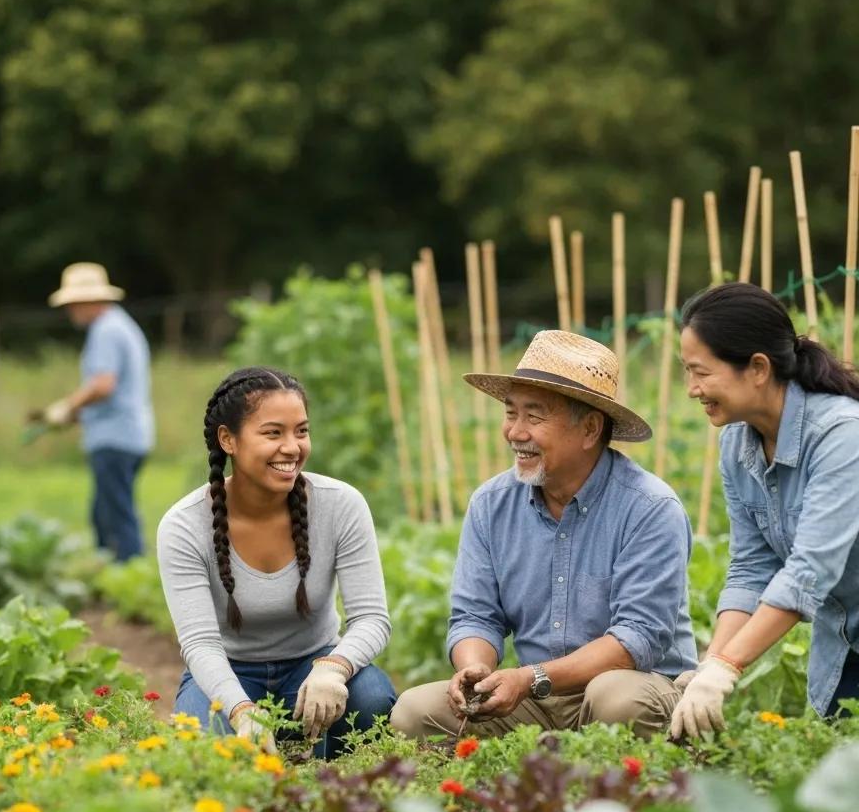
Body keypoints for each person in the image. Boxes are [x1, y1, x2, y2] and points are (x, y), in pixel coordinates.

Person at [391, 330, 696, 741]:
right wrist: (474, 668)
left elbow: (635, 640)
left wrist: (528, 678)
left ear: (590, 429)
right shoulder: (491, 503)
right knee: (414, 712)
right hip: (533, 698)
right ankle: (544, 768)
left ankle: (615, 776)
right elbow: (476, 615)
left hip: (632, 683)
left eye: (534, 417)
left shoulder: (649, 508)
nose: (515, 432)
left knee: (616, 699)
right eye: (510, 413)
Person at [157, 366, 395, 758]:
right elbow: (199, 643)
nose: (292, 447)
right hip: (230, 672)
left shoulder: (340, 505)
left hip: (312, 667)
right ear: (228, 440)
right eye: (273, 433)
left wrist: (334, 667)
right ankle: (274, 738)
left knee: (371, 700)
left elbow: (372, 618)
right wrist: (240, 710)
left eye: (301, 431)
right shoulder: (184, 525)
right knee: (201, 737)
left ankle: (308, 743)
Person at [672, 282, 859, 737]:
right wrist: (710, 664)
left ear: (757, 368)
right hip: (845, 643)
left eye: (701, 372)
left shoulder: (841, 435)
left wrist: (728, 664)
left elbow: (809, 571)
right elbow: (751, 568)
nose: (692, 389)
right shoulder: (737, 443)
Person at [41, 263, 154, 561]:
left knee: (116, 515)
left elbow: (103, 385)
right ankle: (113, 572)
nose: (71, 311)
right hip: (128, 433)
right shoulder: (120, 325)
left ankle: (128, 572)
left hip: (114, 437)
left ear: (90, 300)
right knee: (104, 513)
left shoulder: (106, 330)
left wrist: (68, 406)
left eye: (74, 304)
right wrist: (75, 414)